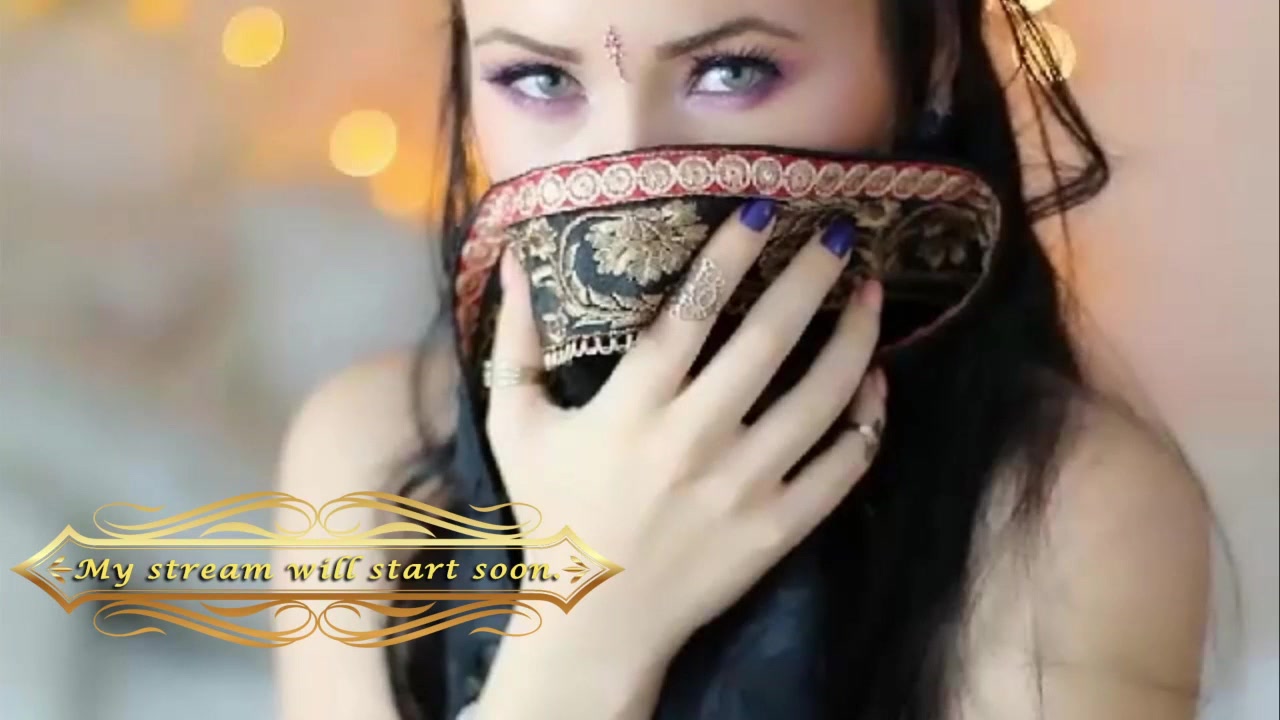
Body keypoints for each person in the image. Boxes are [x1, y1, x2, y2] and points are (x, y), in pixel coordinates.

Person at [272, 1, 1213, 719]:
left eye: (731, 70)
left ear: (928, 55)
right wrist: (581, 644)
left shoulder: (1069, 506)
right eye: (540, 79)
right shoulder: (372, 455)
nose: (627, 168)